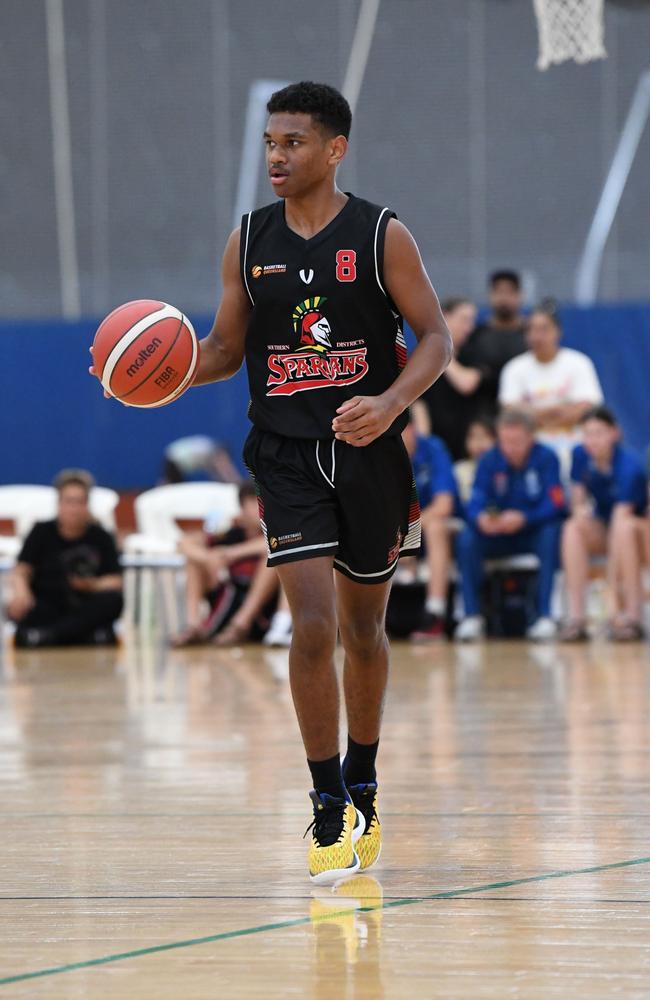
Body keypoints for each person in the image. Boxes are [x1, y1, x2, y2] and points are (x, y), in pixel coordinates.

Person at [91, 81, 452, 882]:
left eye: (292, 142)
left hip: (370, 452)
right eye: (269, 143)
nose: (277, 157)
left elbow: (435, 338)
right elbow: (220, 349)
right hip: (285, 454)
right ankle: (326, 803)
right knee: (312, 625)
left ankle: (364, 779)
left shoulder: (382, 234)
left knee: (364, 632)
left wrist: (392, 402)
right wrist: (153, 375)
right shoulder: (247, 239)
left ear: (334, 149)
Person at [455, 410, 566, 642]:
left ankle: (546, 615)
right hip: (498, 534)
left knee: (551, 533)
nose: (510, 448)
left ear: (531, 438)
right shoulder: (489, 460)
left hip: (531, 531)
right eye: (505, 442)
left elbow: (556, 503)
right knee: (467, 539)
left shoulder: (547, 458)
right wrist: (482, 519)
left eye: (517, 442)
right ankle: (471, 616)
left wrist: (525, 517)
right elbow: (475, 500)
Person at [561, 406, 648, 642]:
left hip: (638, 533)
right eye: (587, 433)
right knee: (572, 528)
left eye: (599, 433)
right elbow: (577, 501)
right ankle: (577, 618)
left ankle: (631, 616)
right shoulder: (580, 455)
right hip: (606, 525)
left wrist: (609, 598)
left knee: (624, 528)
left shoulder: (629, 465)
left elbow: (622, 518)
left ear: (614, 433)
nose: (593, 440)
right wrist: (581, 514)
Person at [8, 470, 123, 647]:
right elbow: (22, 568)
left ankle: (49, 636)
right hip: (50, 601)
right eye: (69, 501)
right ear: (59, 503)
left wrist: (93, 585)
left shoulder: (101, 536)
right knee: (22, 607)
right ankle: (85, 636)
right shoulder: (41, 532)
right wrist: (22, 591)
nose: (74, 509)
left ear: (87, 504)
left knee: (112, 602)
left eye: (79, 502)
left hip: (86, 602)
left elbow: (116, 580)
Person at [171, 482, 274, 647]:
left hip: (260, 610)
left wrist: (231, 553)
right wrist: (208, 558)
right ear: (242, 508)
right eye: (254, 503)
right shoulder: (229, 533)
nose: (260, 509)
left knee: (272, 559)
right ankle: (193, 625)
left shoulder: (275, 533)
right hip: (227, 597)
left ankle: (241, 624)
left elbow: (270, 545)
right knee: (194, 561)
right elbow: (184, 543)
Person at [499, 304, 603, 463]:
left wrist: (534, 413)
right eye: (531, 330)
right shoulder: (514, 368)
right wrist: (558, 409)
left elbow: (588, 408)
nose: (537, 336)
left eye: (544, 329)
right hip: (530, 455)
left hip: (576, 450)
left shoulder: (579, 363)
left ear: (558, 331)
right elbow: (511, 413)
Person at [401, 420, 457, 641]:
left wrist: (406, 536)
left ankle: (435, 612)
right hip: (396, 532)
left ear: (411, 428)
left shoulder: (433, 449)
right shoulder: (377, 450)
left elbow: (443, 506)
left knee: (436, 528)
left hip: (432, 528)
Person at [418, 297, 482, 460]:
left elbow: (466, 384)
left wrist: (442, 350)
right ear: (445, 316)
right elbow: (419, 405)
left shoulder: (474, 353)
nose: (469, 327)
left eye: (471, 321)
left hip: (467, 448)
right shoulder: (421, 358)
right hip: (438, 449)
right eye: (464, 320)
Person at [458, 270, 527, 419]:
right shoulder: (476, 336)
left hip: (524, 415)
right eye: (499, 292)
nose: (504, 298)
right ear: (490, 295)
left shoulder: (531, 336)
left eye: (510, 292)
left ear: (520, 296)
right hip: (481, 418)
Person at [454, 418, 496, 512]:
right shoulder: (459, 470)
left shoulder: (503, 469)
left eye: (485, 436)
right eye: (472, 437)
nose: (479, 443)